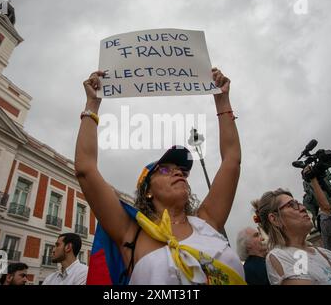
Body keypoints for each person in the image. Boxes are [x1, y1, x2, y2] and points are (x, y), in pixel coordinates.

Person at [75, 68, 245, 285]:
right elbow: (85, 169)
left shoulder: (207, 220)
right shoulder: (131, 234)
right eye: (165, 169)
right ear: (147, 190)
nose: (177, 172)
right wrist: (92, 104)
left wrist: (222, 101)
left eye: (181, 171)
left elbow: (232, 160)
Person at [252, 189, 331, 285]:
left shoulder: (324, 253)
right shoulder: (280, 256)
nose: (303, 208)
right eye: (291, 205)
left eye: (298, 203)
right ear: (275, 219)